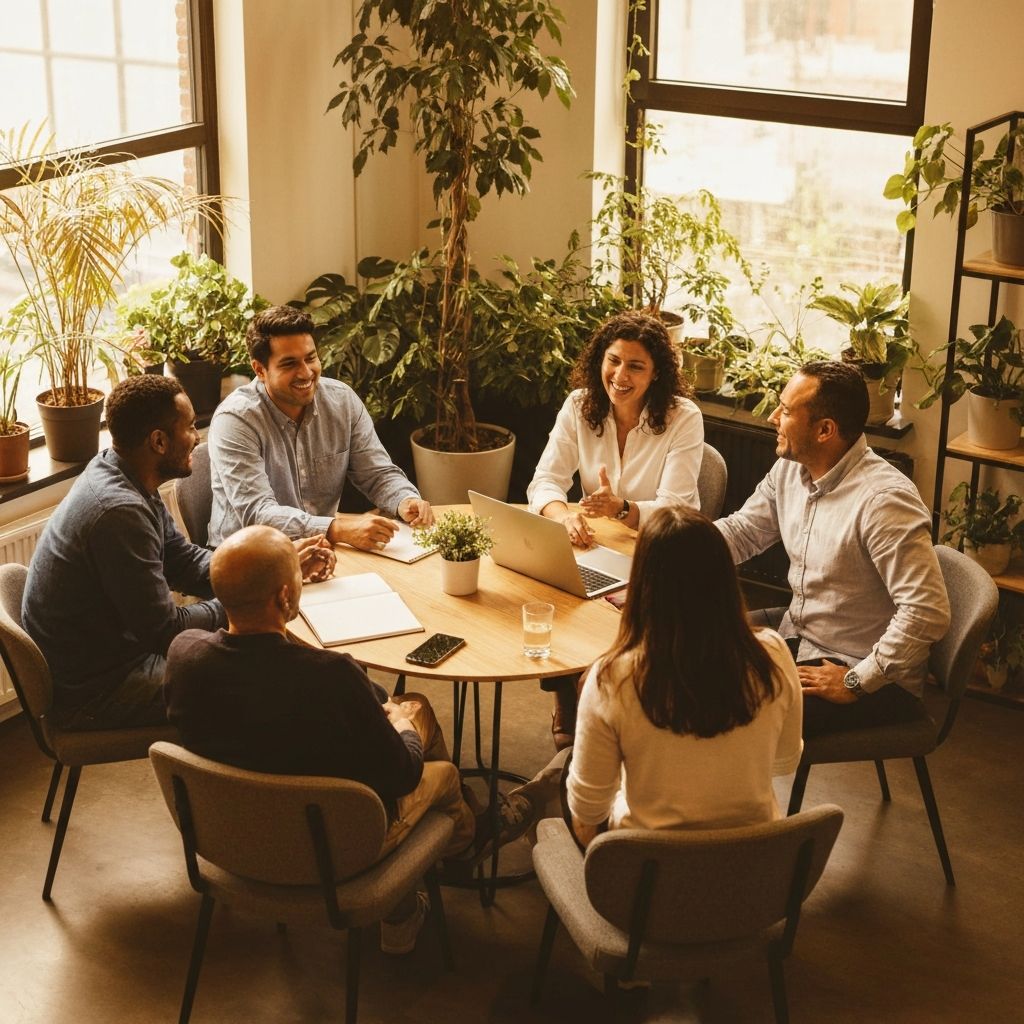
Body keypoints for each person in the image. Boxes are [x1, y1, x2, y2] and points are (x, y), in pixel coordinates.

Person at [164, 525, 533, 953]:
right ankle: (434, 878)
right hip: (333, 847)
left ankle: (431, 868)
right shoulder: (332, 677)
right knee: (440, 766)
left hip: (233, 839)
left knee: (410, 704)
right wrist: (403, 727)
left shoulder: (185, 655)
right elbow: (402, 775)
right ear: (285, 597)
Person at [21, 375, 334, 732]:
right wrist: (254, 598)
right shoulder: (119, 512)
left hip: (111, 657)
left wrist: (270, 568)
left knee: (269, 667)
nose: (196, 437)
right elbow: (167, 631)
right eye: (189, 427)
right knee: (266, 680)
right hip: (98, 688)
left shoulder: (122, 472)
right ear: (158, 441)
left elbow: (183, 560)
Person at [715, 361, 951, 738]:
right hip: (802, 635)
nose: (774, 417)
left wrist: (857, 681)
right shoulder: (791, 468)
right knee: (691, 655)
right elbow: (743, 532)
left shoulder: (884, 502)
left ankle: (739, 797)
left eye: (788, 411)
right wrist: (666, 552)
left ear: (825, 430)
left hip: (865, 674)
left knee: (731, 710)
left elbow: (927, 612)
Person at [566, 506, 802, 846]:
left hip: (647, 880)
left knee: (565, 779)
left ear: (643, 582)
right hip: (753, 876)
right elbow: (784, 760)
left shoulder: (610, 679)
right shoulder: (774, 656)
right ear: (724, 578)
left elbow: (587, 820)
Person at [526, 310, 704, 747]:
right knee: (547, 583)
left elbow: (676, 507)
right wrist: (562, 515)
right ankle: (566, 693)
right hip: (597, 547)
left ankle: (593, 702)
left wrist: (623, 509)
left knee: (607, 626)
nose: (619, 375)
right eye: (613, 360)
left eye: (636, 365)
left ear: (657, 372)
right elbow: (545, 481)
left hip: (661, 555)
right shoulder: (579, 405)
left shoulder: (683, 418)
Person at [207, 304, 433, 551]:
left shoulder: (341, 401)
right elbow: (258, 513)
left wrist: (404, 499)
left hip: (319, 550)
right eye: (289, 364)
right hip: (248, 558)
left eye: (311, 358)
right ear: (260, 370)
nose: (305, 373)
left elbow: (377, 473)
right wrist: (337, 529)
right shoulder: (236, 420)